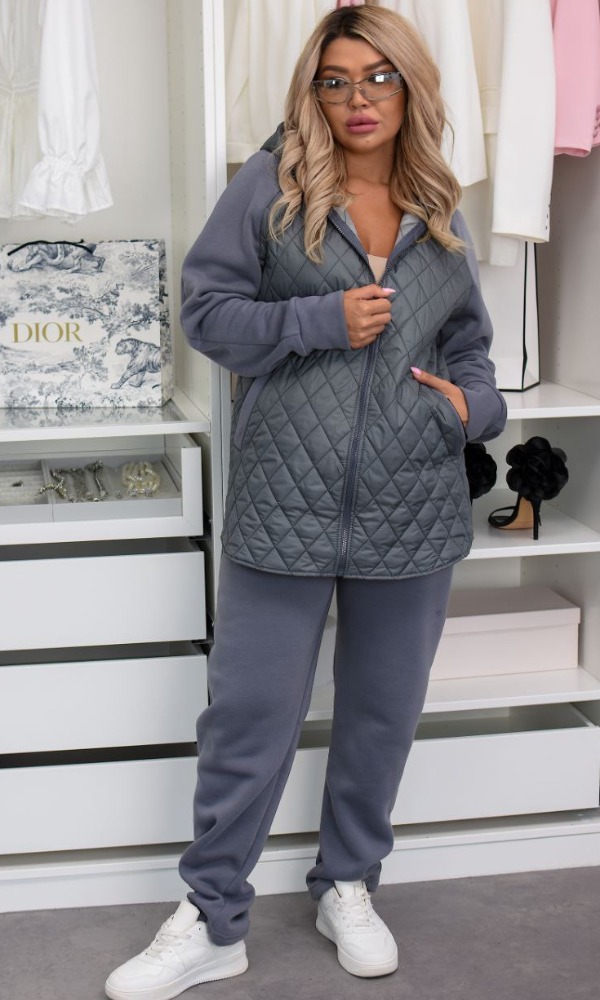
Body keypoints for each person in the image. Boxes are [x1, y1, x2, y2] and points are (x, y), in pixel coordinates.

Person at [105, 5, 506, 998]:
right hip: (283, 495)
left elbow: (470, 345)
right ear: (312, 91)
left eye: (378, 77)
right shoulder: (272, 183)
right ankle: (212, 918)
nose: (358, 98)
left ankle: (349, 885)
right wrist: (320, 318)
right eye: (336, 80)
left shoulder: (438, 199)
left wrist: (474, 409)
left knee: (381, 715)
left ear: (410, 86)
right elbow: (207, 313)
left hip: (413, 502)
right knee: (247, 718)